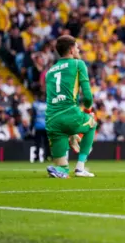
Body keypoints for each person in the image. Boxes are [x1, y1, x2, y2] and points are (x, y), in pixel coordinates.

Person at [45, 35, 97, 178]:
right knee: (92, 124)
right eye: (77, 46)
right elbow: (87, 97)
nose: (79, 49)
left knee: (62, 167)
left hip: (52, 120)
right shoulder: (78, 64)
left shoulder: (49, 72)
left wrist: (71, 131)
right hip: (70, 114)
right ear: (72, 49)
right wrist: (89, 111)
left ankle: (62, 170)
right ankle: (80, 168)